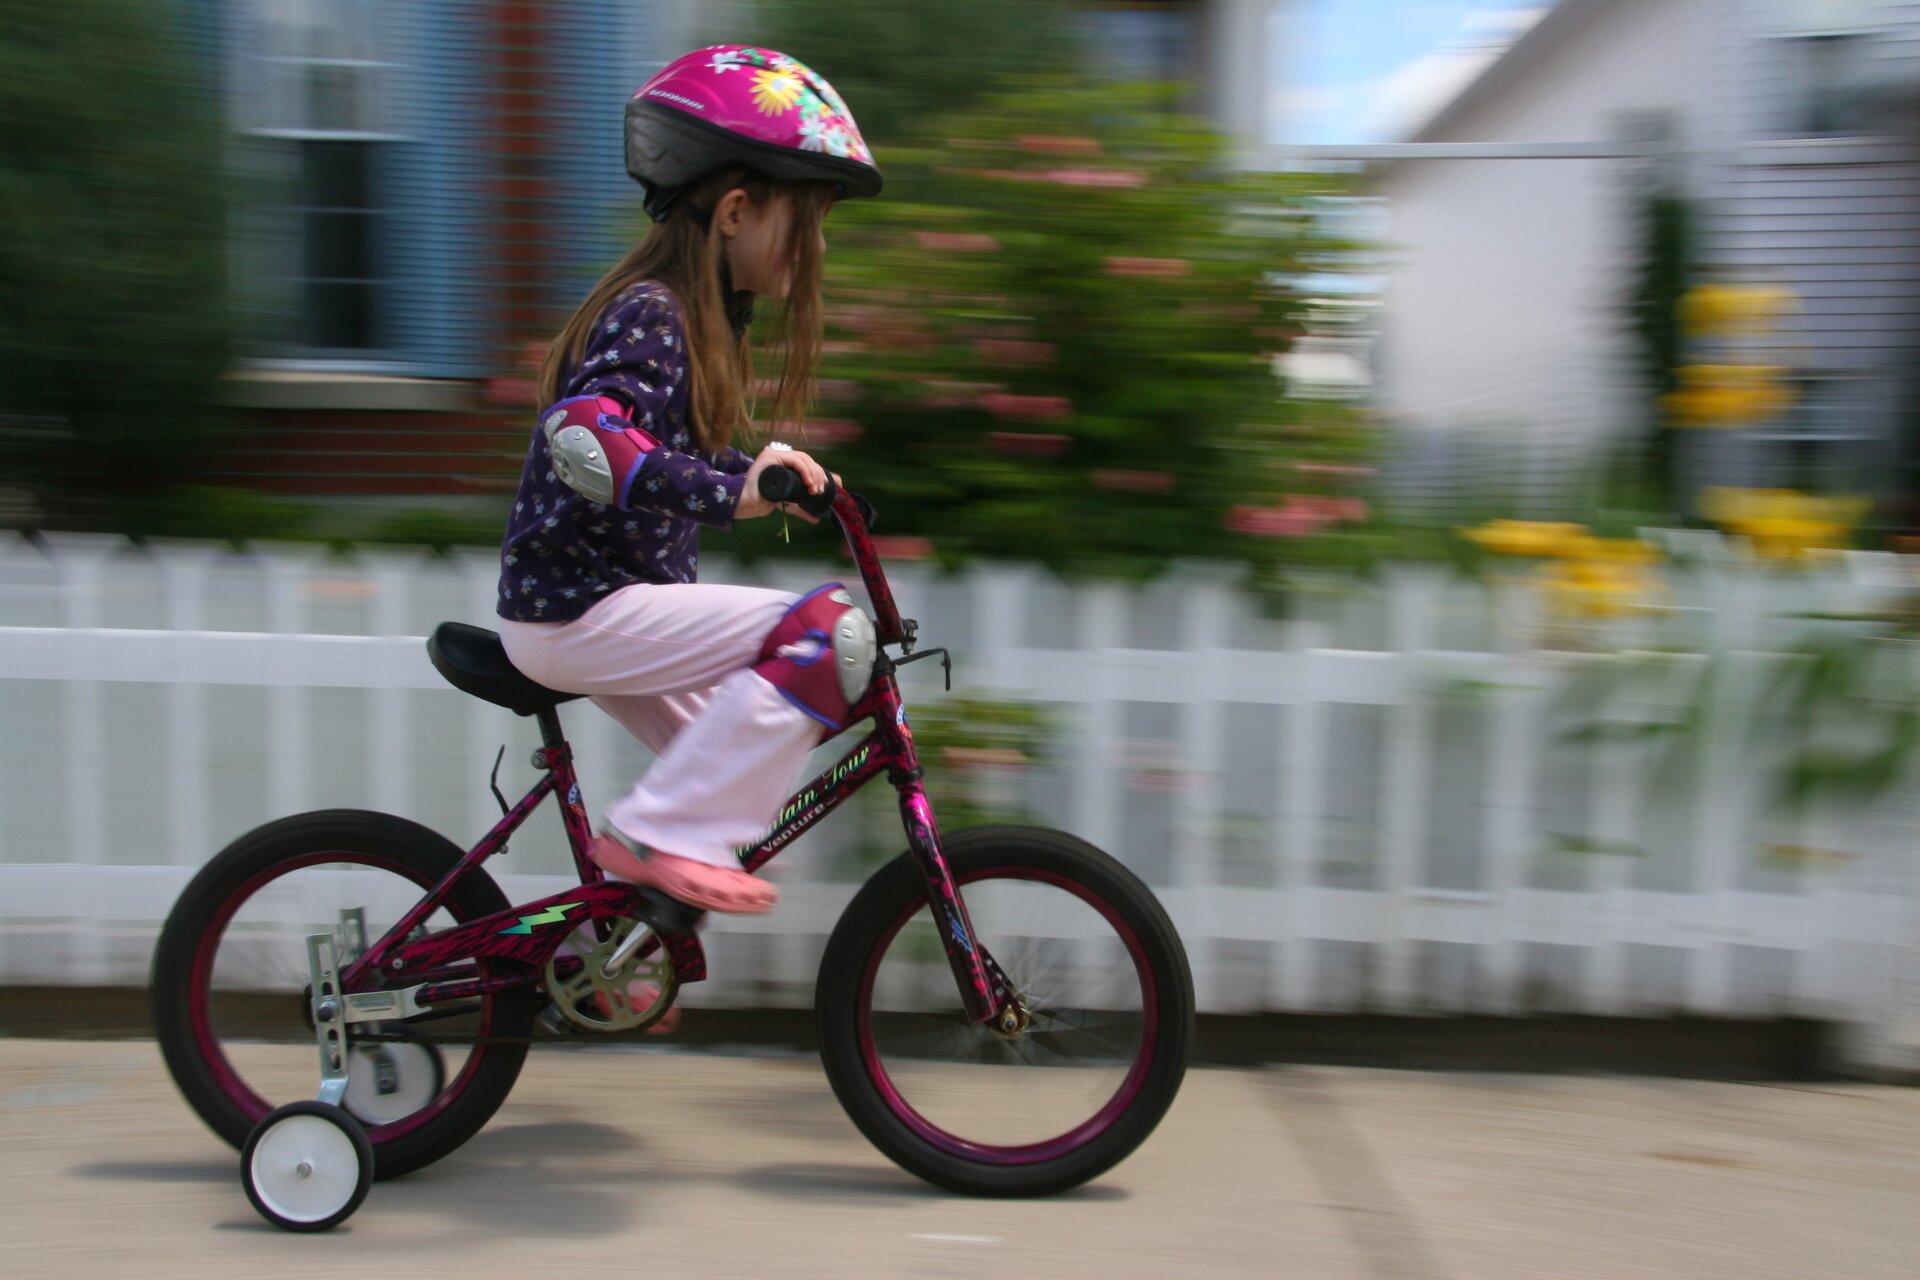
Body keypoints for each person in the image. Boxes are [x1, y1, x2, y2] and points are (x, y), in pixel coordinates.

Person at [495, 46, 882, 927]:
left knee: (732, 792)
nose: (816, 246)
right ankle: (648, 841)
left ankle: (611, 959)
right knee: (825, 636)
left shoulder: (692, 322)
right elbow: (586, 439)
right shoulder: (654, 311)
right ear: (737, 210)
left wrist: (751, 476)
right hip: (582, 608)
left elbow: (652, 453)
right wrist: (733, 496)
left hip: (602, 607)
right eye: (807, 219)